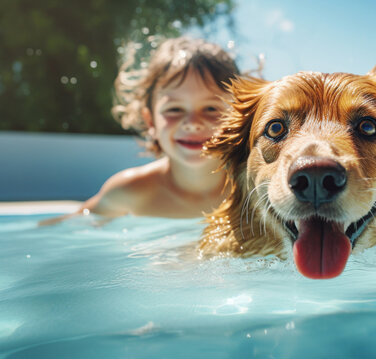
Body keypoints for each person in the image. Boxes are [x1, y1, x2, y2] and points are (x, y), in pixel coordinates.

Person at [56, 37, 239, 221]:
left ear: (236, 117)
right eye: (174, 109)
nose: (192, 122)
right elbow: (69, 228)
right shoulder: (130, 191)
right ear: (150, 121)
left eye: (211, 109)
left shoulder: (250, 190)